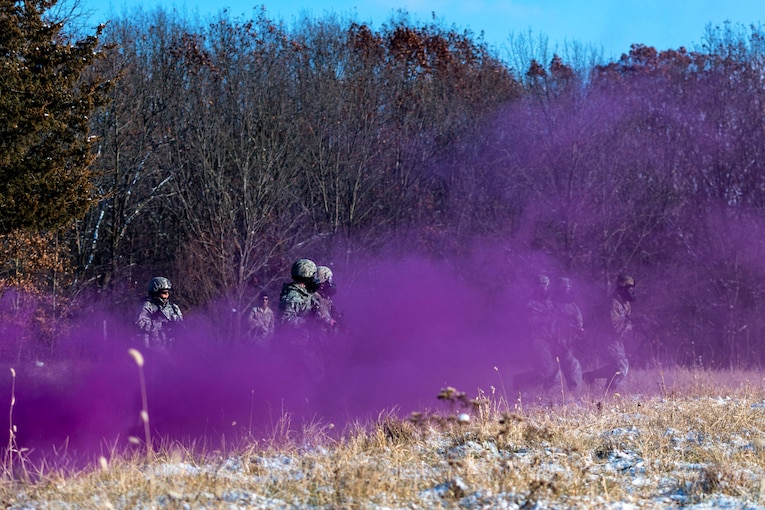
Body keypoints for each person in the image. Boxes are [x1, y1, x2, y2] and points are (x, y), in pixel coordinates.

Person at [583, 274, 635, 391]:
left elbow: (625, 323)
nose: (632, 292)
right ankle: (608, 394)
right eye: (629, 289)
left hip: (616, 340)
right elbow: (615, 327)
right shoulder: (613, 303)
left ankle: (590, 376)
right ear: (622, 289)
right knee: (622, 367)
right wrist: (631, 324)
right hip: (606, 339)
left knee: (617, 367)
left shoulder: (625, 304)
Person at [514, 274, 560, 391]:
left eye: (546, 285)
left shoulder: (550, 303)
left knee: (555, 369)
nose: (544, 288)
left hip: (551, 339)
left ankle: (547, 394)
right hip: (537, 339)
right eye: (541, 286)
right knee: (545, 370)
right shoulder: (531, 304)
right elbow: (529, 321)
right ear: (535, 287)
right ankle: (520, 381)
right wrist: (546, 318)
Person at [552, 277, 584, 391]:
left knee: (568, 366)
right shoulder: (552, 304)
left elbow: (579, 320)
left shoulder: (572, 305)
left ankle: (574, 393)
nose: (567, 290)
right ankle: (571, 393)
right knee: (567, 366)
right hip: (555, 341)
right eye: (565, 287)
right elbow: (549, 323)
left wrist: (576, 329)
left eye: (569, 287)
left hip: (568, 340)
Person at [135, 276, 183, 350]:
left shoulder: (174, 308)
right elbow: (140, 323)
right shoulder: (147, 306)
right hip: (153, 349)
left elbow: (180, 323)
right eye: (164, 293)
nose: (167, 295)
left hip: (172, 348)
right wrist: (161, 325)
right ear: (155, 292)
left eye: (168, 292)